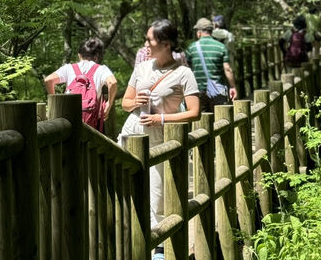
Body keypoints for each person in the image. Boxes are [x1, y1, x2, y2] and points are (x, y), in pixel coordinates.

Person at [118, 18, 200, 257]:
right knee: (125, 188)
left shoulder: (184, 73)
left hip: (158, 139)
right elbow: (124, 103)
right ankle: (128, 241)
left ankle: (159, 250)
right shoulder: (142, 67)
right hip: (131, 132)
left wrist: (160, 119)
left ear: (165, 43)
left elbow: (194, 112)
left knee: (157, 197)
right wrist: (136, 102)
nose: (146, 44)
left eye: (150, 39)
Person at [44, 37, 117, 132]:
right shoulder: (101, 69)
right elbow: (113, 82)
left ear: (79, 55)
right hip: (90, 124)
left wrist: (54, 105)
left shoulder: (69, 68)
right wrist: (109, 104)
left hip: (68, 120)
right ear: (97, 56)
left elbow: (48, 80)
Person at [186, 17, 238, 112]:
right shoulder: (221, 47)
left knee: (201, 121)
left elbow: (186, 69)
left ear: (199, 32)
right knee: (222, 119)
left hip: (199, 90)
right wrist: (233, 87)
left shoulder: (192, 48)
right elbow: (227, 69)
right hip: (218, 91)